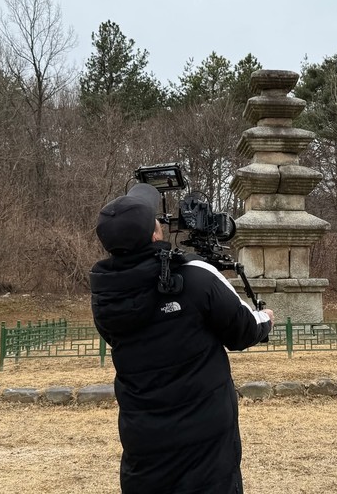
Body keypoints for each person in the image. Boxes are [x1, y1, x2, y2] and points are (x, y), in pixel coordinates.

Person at [90, 183, 275, 493]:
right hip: (206, 439)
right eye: (156, 221)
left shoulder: (105, 295)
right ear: (155, 236)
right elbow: (242, 330)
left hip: (143, 436)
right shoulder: (195, 275)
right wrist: (265, 319)